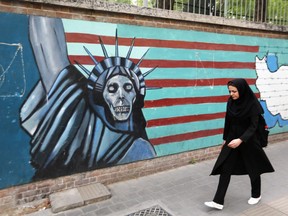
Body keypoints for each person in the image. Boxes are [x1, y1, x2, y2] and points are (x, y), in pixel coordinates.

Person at [204, 78, 274, 210]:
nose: (232, 94)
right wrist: (225, 139)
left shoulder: (252, 105)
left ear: (242, 90)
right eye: (230, 91)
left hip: (249, 141)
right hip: (232, 139)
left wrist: (241, 140)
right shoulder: (230, 102)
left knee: (253, 168)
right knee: (225, 168)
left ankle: (256, 194)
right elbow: (228, 121)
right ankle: (218, 201)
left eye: (234, 91)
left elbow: (253, 127)